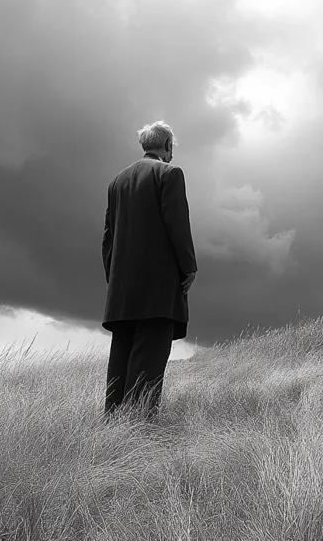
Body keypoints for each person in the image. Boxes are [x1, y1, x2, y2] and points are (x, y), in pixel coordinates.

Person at [101, 121, 197, 420]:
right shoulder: (170, 174)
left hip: (122, 291)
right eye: (172, 148)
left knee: (121, 360)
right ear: (167, 145)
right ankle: (138, 429)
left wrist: (114, 280)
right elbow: (177, 225)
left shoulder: (117, 181)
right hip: (158, 288)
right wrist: (188, 267)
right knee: (149, 363)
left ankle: (113, 427)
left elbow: (108, 237)